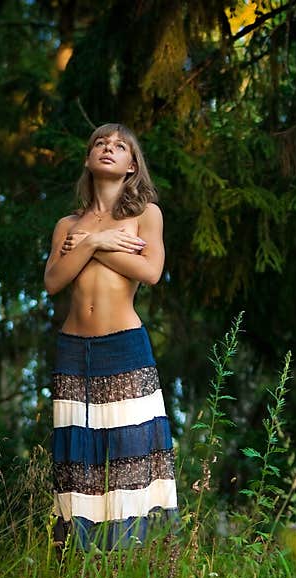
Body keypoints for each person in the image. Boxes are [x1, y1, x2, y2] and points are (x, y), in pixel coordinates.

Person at [43, 122, 179, 552]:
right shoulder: (67, 224)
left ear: (131, 165)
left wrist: (92, 244)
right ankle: (77, 558)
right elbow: (53, 281)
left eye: (120, 146)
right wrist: (100, 237)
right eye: (100, 143)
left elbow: (151, 272)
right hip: (73, 349)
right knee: (76, 456)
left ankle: (133, 557)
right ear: (89, 159)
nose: (108, 148)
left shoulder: (146, 214)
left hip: (123, 344)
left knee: (130, 451)